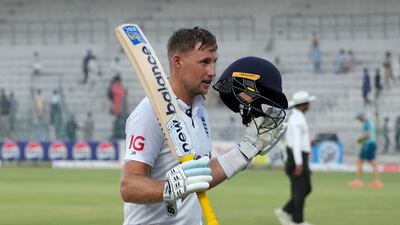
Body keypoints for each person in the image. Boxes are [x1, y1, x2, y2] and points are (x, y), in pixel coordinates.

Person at [121, 27, 288, 225]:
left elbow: (199, 177)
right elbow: (129, 186)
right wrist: (169, 189)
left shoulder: (199, 111)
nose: (212, 72)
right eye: (204, 62)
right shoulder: (149, 112)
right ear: (178, 62)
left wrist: (245, 151)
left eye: (214, 62)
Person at [275, 91, 316, 225]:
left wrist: (309, 145)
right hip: (297, 158)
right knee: (300, 190)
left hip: (298, 156)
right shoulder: (297, 120)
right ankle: (298, 221)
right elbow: (296, 143)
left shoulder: (298, 117)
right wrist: (299, 163)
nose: (309, 104)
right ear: (303, 104)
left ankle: (285, 211)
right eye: (308, 102)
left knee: (305, 189)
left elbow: (298, 141)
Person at [350, 110, 383, 189]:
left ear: (362, 116)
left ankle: (377, 181)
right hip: (368, 144)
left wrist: (360, 140)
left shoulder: (366, 123)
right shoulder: (368, 123)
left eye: (359, 118)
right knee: (361, 161)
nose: (358, 120)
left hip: (369, 144)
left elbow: (367, 135)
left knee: (371, 161)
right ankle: (359, 180)